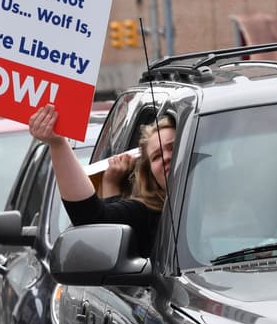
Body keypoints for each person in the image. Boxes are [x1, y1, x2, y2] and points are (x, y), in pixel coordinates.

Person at [28, 103, 175, 256]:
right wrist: (58, 143)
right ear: (150, 174)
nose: (166, 157)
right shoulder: (145, 214)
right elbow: (91, 220)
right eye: (156, 156)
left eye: (172, 147)